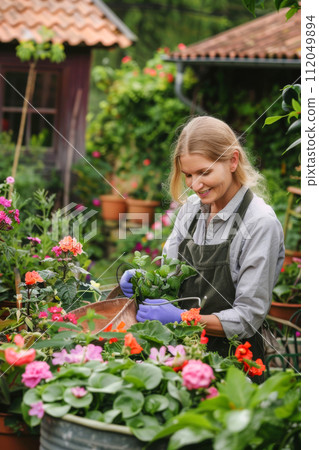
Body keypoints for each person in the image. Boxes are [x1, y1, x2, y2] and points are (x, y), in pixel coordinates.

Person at [120, 116, 285, 383]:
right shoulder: (191, 210)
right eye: (188, 175)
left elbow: (247, 318)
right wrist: (144, 279)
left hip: (233, 367)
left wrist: (183, 318)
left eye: (204, 172)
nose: (195, 185)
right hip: (180, 358)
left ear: (232, 161)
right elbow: (170, 273)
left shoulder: (259, 223)